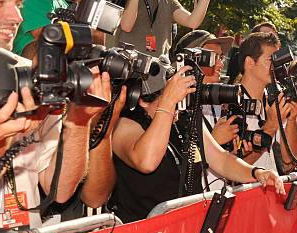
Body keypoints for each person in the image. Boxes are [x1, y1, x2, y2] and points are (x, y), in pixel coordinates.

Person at [0, 0, 108, 229]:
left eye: (19, 4)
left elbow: (60, 189)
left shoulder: (33, 76)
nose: (16, 16)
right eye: (0, 1)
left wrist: (79, 121)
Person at [108, 59, 284, 223]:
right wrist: (168, 105)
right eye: (173, 97)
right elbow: (146, 161)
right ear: (143, 101)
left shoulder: (185, 119)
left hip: (185, 229)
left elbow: (221, 160)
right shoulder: (124, 125)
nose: (179, 104)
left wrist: (256, 172)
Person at [173, 29, 235, 190]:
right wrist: (214, 141)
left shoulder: (215, 100)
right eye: (214, 57)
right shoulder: (174, 103)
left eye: (221, 57)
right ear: (192, 59)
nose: (221, 63)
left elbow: (224, 161)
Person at [235, 32, 297, 174]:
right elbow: (232, 167)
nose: (277, 67)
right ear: (250, 62)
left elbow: (289, 160)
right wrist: (270, 127)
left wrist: (293, 119)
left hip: (269, 189)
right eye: (271, 60)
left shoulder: (273, 102)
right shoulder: (230, 104)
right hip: (245, 191)